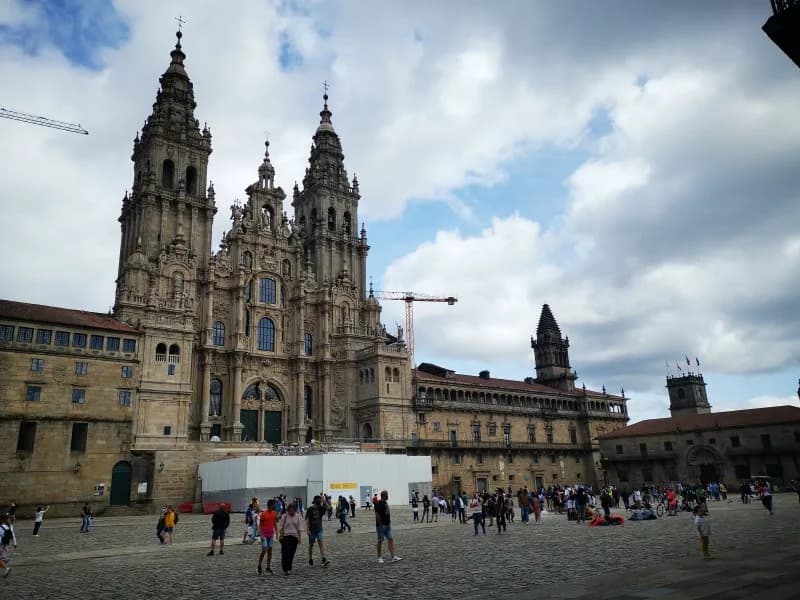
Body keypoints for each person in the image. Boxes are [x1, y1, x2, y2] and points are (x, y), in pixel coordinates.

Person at [375, 490, 401, 563]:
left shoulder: (385, 502)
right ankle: (379, 557)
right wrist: (381, 524)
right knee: (380, 540)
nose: (388, 496)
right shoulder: (379, 504)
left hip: (387, 525)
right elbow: (377, 515)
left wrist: (389, 522)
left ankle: (393, 557)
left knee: (391, 539)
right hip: (381, 526)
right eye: (387, 495)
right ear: (385, 495)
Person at [278, 502, 302, 575]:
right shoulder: (284, 516)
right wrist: (280, 536)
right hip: (286, 537)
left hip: (294, 537)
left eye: (293, 510)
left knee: (291, 553)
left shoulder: (298, 516)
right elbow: (281, 527)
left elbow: (299, 528)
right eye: (290, 510)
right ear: (288, 510)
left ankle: (289, 568)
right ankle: (286, 568)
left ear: (295, 509)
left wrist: (299, 538)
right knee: (285, 553)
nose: (291, 511)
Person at [305, 496, 329, 567]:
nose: (320, 501)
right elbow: (307, 519)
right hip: (312, 530)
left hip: (319, 529)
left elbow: (328, 508)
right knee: (311, 545)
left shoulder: (320, 508)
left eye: (320, 500)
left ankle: (323, 559)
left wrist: (324, 500)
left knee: (320, 543)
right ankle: (310, 559)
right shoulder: (310, 509)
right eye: (319, 500)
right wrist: (307, 529)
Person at [257, 499, 279, 574]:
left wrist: (276, 532)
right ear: (270, 505)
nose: (274, 506)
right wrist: (261, 535)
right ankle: (259, 565)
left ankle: (268, 567)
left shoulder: (274, 513)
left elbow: (275, 523)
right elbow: (260, 525)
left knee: (270, 550)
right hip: (264, 535)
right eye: (273, 505)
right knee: (264, 549)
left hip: (270, 534)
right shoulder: (263, 514)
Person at [1, 513, 14, 578]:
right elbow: (12, 536)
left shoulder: (1, 527)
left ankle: (6, 568)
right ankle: (5, 567)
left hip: (1, 544)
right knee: (2, 558)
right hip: (5, 544)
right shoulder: (8, 526)